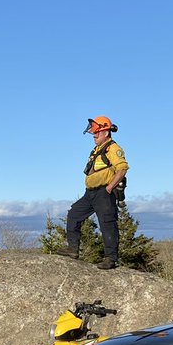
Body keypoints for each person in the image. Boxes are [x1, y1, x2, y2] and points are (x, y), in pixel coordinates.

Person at [55, 114, 128, 270]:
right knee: (74, 214)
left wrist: (109, 188)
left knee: (107, 224)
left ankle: (110, 258)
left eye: (97, 132)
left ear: (106, 133)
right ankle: (73, 249)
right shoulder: (96, 150)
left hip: (104, 192)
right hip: (90, 193)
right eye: (93, 132)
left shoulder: (113, 148)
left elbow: (122, 169)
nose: (94, 135)